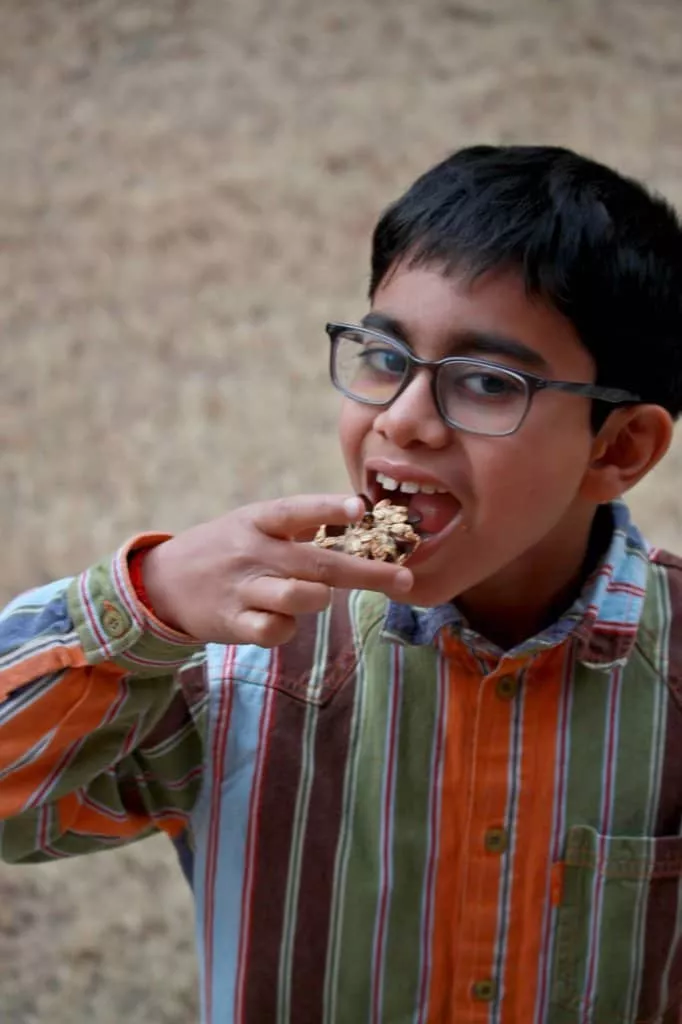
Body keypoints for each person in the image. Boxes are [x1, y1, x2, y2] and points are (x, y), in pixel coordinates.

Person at [2, 144, 682, 1024]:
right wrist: (149, 602)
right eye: (386, 358)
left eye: (486, 382)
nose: (403, 420)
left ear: (618, 448)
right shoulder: (242, 658)